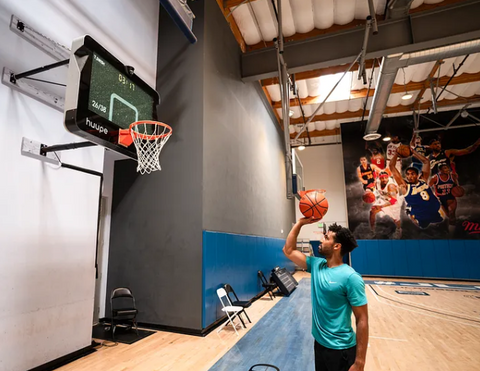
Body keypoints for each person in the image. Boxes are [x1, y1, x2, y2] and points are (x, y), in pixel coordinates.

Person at [283, 219, 368, 371]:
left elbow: (362, 319)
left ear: (337, 246)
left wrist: (360, 361)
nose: (321, 239)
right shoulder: (317, 265)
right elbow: (288, 250)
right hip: (320, 345)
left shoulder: (351, 277)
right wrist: (300, 223)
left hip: (341, 350)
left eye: (326, 237)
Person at [389, 148, 445, 229]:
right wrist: (396, 154)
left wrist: (414, 152)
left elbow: (426, 161)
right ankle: (409, 212)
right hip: (421, 216)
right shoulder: (405, 186)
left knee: (442, 220)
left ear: (418, 175)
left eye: (412, 174)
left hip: (435, 211)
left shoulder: (423, 180)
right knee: (421, 226)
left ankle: (410, 209)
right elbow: (391, 166)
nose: (410, 176)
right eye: (408, 174)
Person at [370, 171, 402, 238]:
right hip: (383, 200)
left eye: (386, 178)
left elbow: (394, 200)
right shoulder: (377, 182)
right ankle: (372, 230)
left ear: (388, 178)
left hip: (393, 203)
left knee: (396, 219)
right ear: (380, 178)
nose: (384, 179)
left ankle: (399, 230)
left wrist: (381, 206)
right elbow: (375, 189)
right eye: (382, 178)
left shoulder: (391, 186)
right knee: (372, 211)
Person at [429, 164, 459, 233]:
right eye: (445, 168)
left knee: (452, 214)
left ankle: (451, 235)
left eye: (448, 168)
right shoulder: (435, 178)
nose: (447, 170)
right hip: (440, 198)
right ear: (440, 170)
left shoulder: (452, 177)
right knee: (448, 215)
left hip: (450, 197)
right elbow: (428, 187)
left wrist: (458, 191)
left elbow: (457, 187)